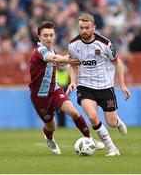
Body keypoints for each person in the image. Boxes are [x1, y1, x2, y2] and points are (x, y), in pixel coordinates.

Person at [29, 21, 104, 155]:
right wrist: (69, 59)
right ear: (39, 37)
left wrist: (74, 58)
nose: (49, 38)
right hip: (40, 96)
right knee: (51, 126)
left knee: (74, 112)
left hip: (55, 90)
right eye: (45, 35)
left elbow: (60, 60)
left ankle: (90, 139)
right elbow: (55, 58)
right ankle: (49, 137)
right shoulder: (39, 51)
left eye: (51, 35)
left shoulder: (52, 49)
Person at [67, 13, 131, 156]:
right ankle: (112, 148)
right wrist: (73, 81)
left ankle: (117, 121)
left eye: (87, 28)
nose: (84, 31)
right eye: (81, 28)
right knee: (93, 117)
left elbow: (117, 63)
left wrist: (122, 85)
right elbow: (73, 65)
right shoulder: (73, 45)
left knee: (111, 123)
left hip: (105, 86)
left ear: (94, 27)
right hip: (85, 86)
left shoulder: (105, 44)